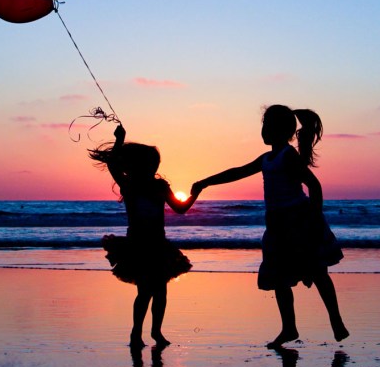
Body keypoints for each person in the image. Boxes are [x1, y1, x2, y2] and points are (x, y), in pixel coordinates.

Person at [191, 105, 348, 348]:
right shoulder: (267, 158)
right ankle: (289, 328)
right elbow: (238, 172)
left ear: (278, 130)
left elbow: (314, 186)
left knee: (317, 271)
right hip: (276, 226)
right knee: (280, 278)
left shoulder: (287, 155)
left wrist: (315, 219)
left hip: (298, 220)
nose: (263, 131)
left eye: (266, 126)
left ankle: (336, 320)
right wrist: (205, 182)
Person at [90, 124, 195, 349]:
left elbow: (180, 209)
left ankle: (156, 331)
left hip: (158, 245)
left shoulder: (160, 186)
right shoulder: (129, 185)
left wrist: (194, 195)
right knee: (145, 291)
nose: (154, 167)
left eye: (155, 164)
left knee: (160, 291)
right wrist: (119, 140)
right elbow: (112, 164)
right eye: (151, 163)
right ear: (140, 166)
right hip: (138, 245)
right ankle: (136, 334)